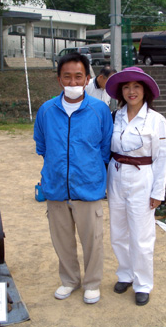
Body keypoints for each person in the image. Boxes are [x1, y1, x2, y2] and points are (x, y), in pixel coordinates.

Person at [33, 52, 113, 304]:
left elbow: (105, 148)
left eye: (78, 76)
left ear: (87, 78)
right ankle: (69, 280)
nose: (72, 82)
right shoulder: (47, 110)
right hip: (56, 187)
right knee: (62, 240)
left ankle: (91, 283)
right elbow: (42, 146)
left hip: (87, 188)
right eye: (67, 76)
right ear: (59, 80)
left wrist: (91, 172)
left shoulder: (99, 110)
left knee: (93, 240)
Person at [105, 67, 166, 306]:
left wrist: (158, 192)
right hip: (117, 175)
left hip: (143, 178)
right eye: (126, 87)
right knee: (118, 232)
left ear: (145, 90)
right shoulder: (115, 116)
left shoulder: (156, 120)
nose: (131, 91)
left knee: (142, 236)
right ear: (121, 91)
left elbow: (161, 157)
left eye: (137, 86)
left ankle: (143, 283)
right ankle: (125, 273)